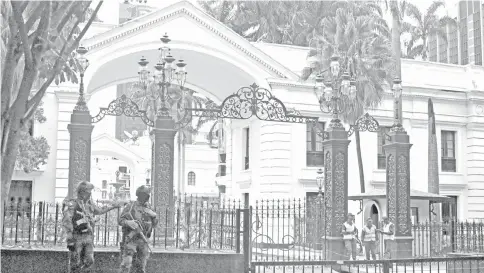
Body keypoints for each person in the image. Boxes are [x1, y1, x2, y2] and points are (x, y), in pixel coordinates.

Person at [62, 181, 122, 273]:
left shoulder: (89, 204)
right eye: (89, 191)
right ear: (82, 192)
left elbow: (100, 210)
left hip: (88, 236)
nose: (90, 194)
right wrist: (70, 240)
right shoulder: (72, 204)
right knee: (75, 263)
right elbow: (67, 222)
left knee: (89, 261)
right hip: (76, 237)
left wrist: (113, 206)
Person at [118, 185, 158, 273]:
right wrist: (129, 223)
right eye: (143, 195)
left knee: (141, 266)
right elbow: (120, 220)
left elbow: (154, 225)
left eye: (146, 195)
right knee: (126, 263)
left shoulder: (150, 208)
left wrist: (154, 217)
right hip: (131, 239)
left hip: (143, 240)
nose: (145, 197)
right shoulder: (130, 206)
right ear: (138, 195)